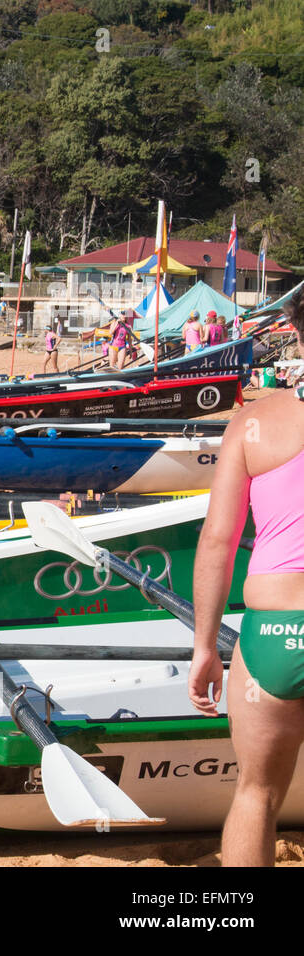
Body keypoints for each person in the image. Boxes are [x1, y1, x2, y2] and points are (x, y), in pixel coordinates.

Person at [191, 287, 304, 867]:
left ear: (295, 335)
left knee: (257, 795)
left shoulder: (255, 422)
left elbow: (219, 541)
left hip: (275, 635)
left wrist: (205, 647)